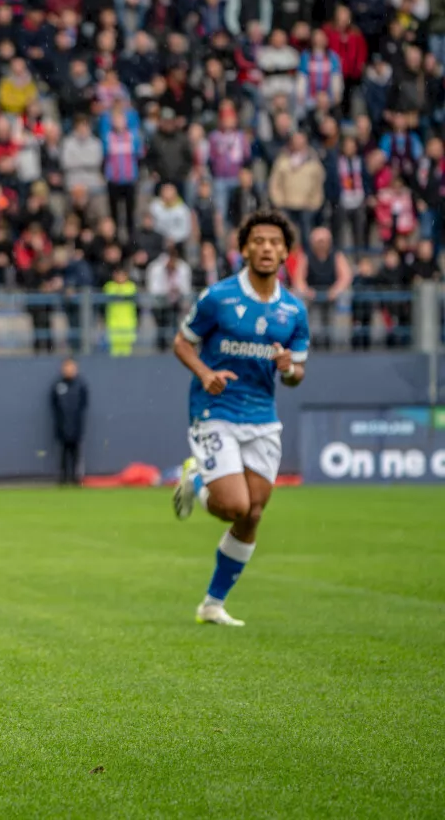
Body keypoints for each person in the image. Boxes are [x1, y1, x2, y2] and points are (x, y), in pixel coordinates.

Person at [171, 209, 310, 627]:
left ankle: (212, 604)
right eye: (259, 241)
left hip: (262, 417)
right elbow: (182, 343)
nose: (267, 248)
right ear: (245, 248)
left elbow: (296, 377)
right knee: (233, 505)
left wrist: (287, 367)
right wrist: (206, 373)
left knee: (254, 513)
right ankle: (195, 479)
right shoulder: (219, 297)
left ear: (286, 252)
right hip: (216, 410)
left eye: (275, 242)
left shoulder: (293, 311)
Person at [50, 357, 88, 485]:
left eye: (71, 367)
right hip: (62, 426)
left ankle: (76, 478)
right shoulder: (58, 385)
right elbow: (53, 404)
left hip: (76, 426)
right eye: (67, 367)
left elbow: (84, 403)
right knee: (63, 453)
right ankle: (63, 478)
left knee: (76, 453)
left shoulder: (80, 385)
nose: (69, 370)